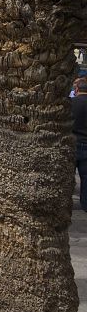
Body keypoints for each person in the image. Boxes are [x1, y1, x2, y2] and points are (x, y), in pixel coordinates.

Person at [73, 79, 87, 212]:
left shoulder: (72, 103)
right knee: (85, 177)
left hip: (73, 143)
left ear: (76, 89)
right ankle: (85, 204)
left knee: (69, 176)